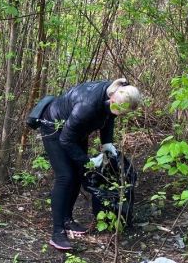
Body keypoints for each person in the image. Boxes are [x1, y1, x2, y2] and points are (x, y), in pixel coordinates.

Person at [36, 78, 140, 251]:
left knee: (78, 174)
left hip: (75, 132)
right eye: (120, 110)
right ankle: (57, 232)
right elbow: (65, 139)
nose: (120, 114)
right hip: (54, 128)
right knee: (66, 176)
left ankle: (67, 220)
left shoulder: (112, 94)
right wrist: (88, 161)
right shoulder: (87, 105)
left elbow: (109, 117)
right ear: (112, 100)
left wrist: (107, 143)